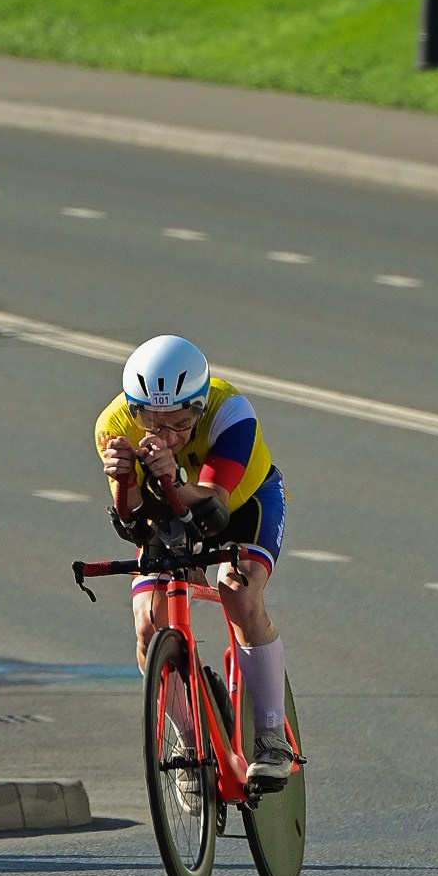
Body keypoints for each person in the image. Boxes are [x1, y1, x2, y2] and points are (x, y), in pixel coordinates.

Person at [96, 332, 294, 786]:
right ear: (133, 409)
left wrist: (170, 477)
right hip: (168, 511)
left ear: (201, 406)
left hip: (243, 504)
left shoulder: (231, 413)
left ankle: (270, 737)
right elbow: (131, 523)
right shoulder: (113, 426)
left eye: (181, 419)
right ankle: (189, 742)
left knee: (237, 590)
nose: (166, 433)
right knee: (148, 624)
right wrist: (126, 483)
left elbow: (213, 508)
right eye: (152, 419)